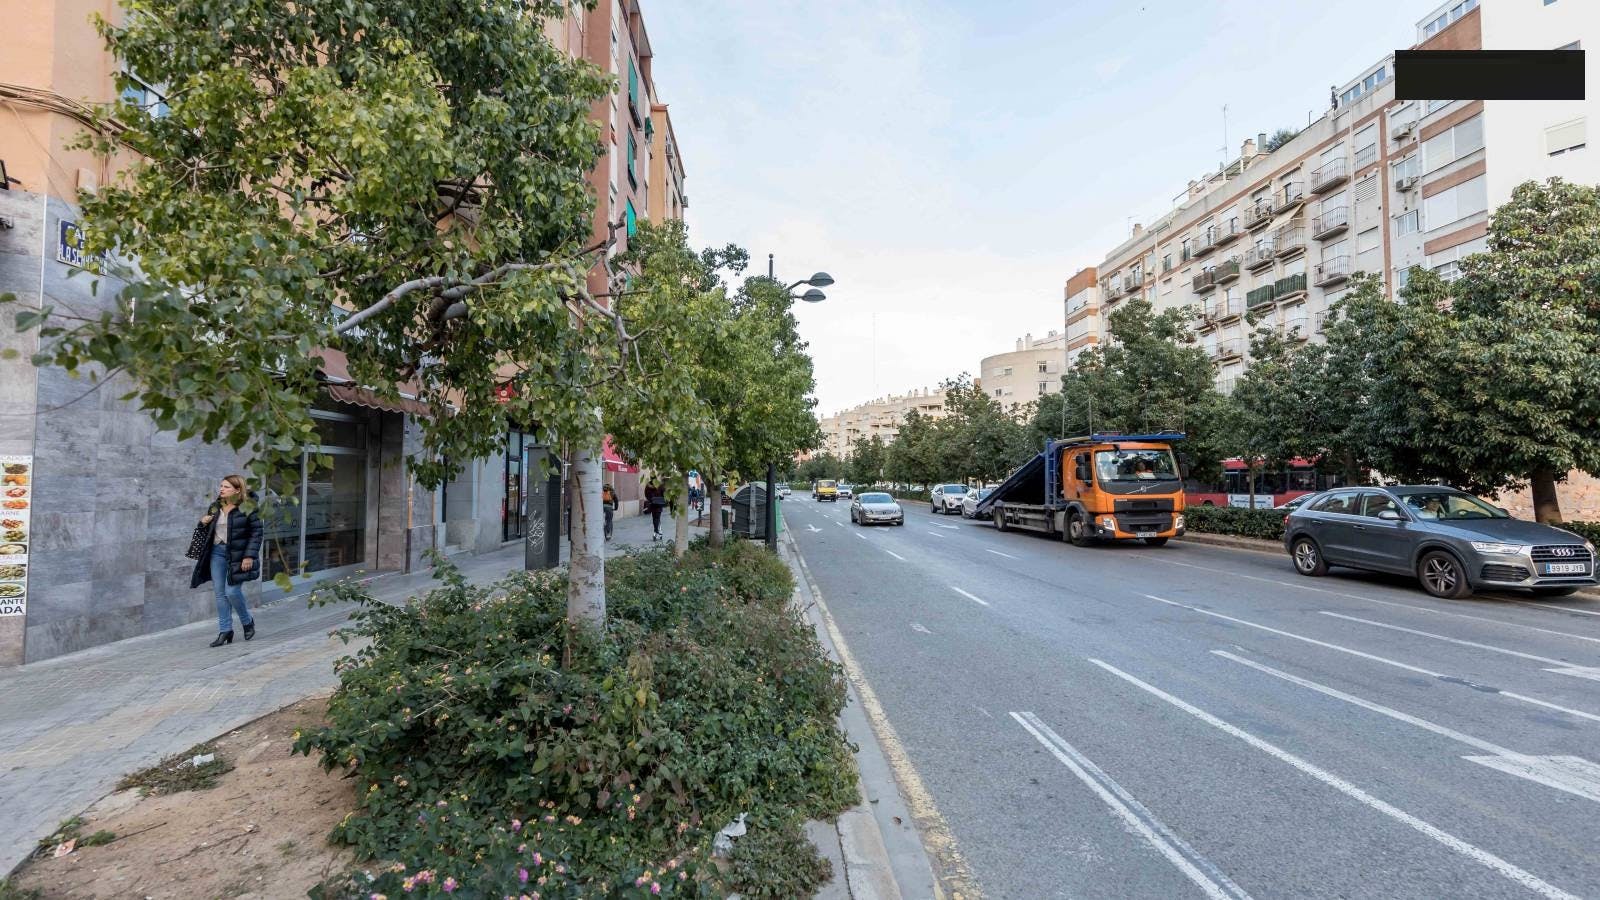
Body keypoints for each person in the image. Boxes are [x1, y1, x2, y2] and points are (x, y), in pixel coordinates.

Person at [190, 474, 263, 647]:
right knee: (220, 594)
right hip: (216, 553)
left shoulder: (249, 507)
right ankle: (225, 630)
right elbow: (207, 531)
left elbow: (256, 533)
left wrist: (249, 556)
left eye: (226, 487)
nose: (221, 489)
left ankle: (247, 621)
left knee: (232, 592)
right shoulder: (216, 506)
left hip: (238, 555)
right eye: (221, 486)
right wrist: (203, 522)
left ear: (237, 490)